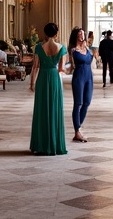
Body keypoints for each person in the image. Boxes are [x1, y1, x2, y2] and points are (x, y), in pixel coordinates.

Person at [29, 22, 68, 155]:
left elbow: (35, 66)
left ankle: (41, 145)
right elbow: (61, 68)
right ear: (56, 34)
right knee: (55, 109)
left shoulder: (39, 47)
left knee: (41, 110)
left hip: (42, 78)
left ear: (45, 33)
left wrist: (31, 83)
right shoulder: (61, 48)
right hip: (55, 78)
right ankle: (55, 144)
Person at [67, 27, 93, 143]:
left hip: (89, 76)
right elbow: (70, 64)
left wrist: (85, 44)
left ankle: (79, 127)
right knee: (78, 103)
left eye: (83, 33)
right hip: (79, 76)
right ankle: (77, 131)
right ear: (76, 36)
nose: (82, 36)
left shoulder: (87, 48)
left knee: (87, 102)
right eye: (80, 34)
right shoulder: (73, 50)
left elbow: (93, 56)